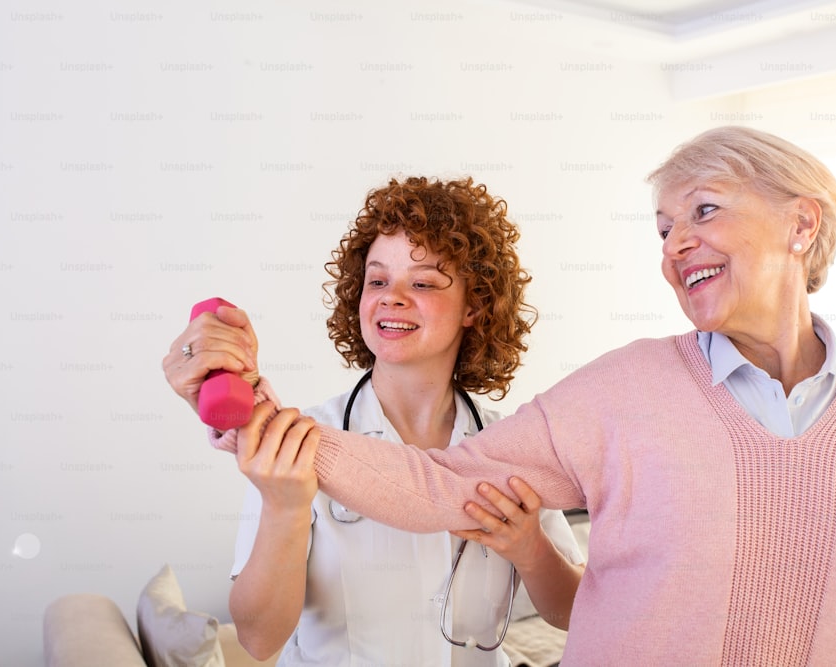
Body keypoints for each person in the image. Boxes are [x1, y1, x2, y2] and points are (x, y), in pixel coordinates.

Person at [174, 127, 836, 665]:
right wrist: (257, 415)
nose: (675, 243)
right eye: (662, 227)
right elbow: (433, 485)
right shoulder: (620, 391)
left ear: (804, 225)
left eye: (702, 210)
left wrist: (526, 545)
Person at [163, 176, 585, 666]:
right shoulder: (300, 444)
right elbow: (259, 640)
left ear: (474, 306)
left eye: (423, 282)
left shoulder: (511, 445)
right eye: (378, 280)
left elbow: (573, 612)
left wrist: (529, 546)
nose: (391, 296)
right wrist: (285, 508)